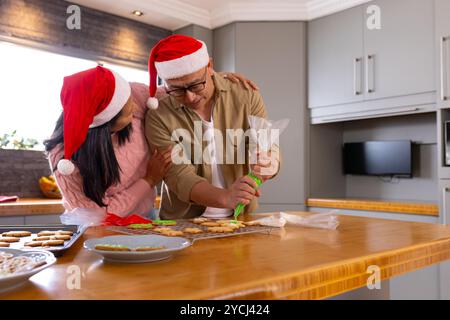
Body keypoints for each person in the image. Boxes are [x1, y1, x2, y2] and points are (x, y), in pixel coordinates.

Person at [45, 65, 258, 220]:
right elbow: (95, 217)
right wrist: (148, 179)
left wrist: (218, 79)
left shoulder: (131, 95)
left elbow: (179, 89)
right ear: (106, 125)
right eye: (128, 107)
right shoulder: (63, 158)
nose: (134, 104)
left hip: (146, 217)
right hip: (98, 229)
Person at [145, 35, 281, 220]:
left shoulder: (245, 95)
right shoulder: (158, 115)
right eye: (177, 90)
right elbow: (179, 176)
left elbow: (270, 147)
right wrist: (225, 197)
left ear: (209, 66)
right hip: (182, 223)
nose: (190, 97)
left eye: (196, 85)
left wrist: (269, 165)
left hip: (241, 218)